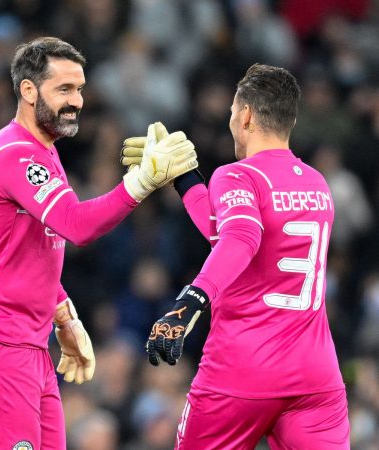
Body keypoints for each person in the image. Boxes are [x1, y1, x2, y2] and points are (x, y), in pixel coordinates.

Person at [0, 36, 198, 450]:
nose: (77, 101)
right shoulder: (16, 155)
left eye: (79, 89)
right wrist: (141, 183)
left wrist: (62, 316)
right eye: (64, 89)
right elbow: (74, 225)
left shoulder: (42, 152)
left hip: (28, 343)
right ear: (28, 90)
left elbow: (27, 247)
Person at [123, 63, 350, 449]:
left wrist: (189, 302)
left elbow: (240, 235)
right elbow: (224, 233)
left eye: (232, 111)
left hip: (242, 371)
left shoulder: (238, 175)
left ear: (244, 115)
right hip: (316, 378)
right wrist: (184, 178)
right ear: (290, 119)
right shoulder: (317, 183)